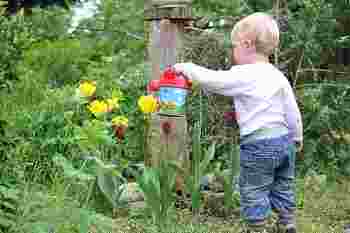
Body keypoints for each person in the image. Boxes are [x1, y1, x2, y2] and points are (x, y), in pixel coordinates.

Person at [173, 12, 303, 233]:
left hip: (259, 145)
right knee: (283, 184)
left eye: (234, 46)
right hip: (284, 141)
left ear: (246, 44)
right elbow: (293, 111)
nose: (233, 52)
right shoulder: (277, 76)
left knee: (253, 188)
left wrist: (187, 69)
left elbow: (214, 80)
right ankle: (286, 221)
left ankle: (256, 227)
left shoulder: (244, 74)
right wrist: (297, 137)